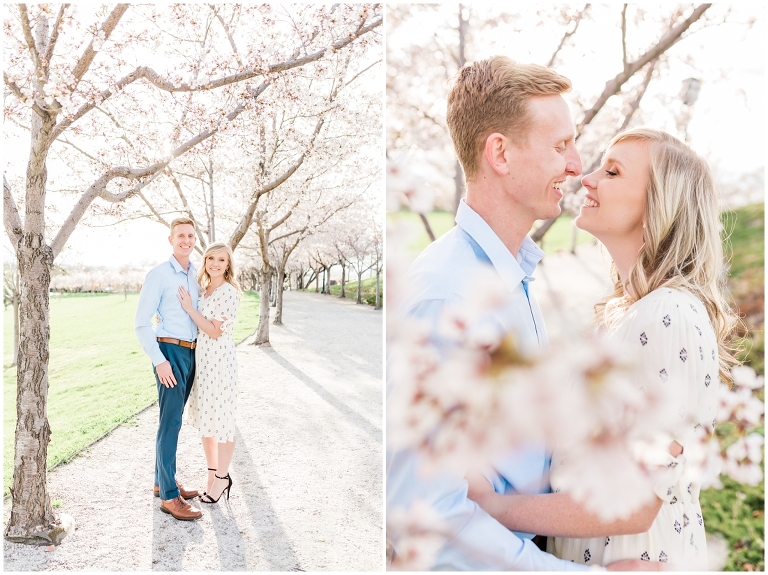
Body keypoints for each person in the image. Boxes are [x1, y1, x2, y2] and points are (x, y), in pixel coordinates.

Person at [467, 128, 739, 570]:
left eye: (612, 172)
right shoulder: (626, 315)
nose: (587, 178)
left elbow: (636, 502)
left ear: (657, 206)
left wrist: (493, 507)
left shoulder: (669, 315)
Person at [387, 55, 597, 570]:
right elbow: (429, 518)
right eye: (560, 145)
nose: (577, 165)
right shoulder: (446, 298)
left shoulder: (511, 275)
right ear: (499, 153)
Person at [135, 217, 203, 521]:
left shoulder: (195, 275)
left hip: (191, 352)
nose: (186, 240)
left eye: (190, 236)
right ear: (171, 239)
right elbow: (141, 323)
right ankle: (170, 498)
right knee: (171, 423)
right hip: (170, 352)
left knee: (170, 419)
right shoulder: (159, 275)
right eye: (180, 236)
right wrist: (159, 360)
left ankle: (161, 481)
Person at [178, 241, 241, 504]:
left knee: (223, 423)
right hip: (202, 362)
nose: (215, 263)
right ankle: (212, 475)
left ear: (228, 265)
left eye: (221, 260)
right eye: (211, 258)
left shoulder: (228, 292)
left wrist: (189, 309)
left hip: (220, 363)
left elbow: (215, 331)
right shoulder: (204, 290)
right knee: (207, 422)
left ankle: (223, 478)